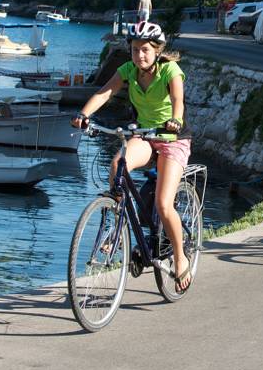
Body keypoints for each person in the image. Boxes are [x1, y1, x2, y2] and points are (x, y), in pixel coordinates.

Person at [70, 21, 193, 292]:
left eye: (146, 50)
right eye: (136, 49)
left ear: (158, 50)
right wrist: (84, 114)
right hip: (147, 135)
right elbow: (105, 91)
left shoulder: (170, 70)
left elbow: (178, 100)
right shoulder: (128, 70)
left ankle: (181, 255)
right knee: (118, 164)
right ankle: (117, 223)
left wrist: (175, 120)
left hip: (173, 139)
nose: (140, 55)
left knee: (163, 203)